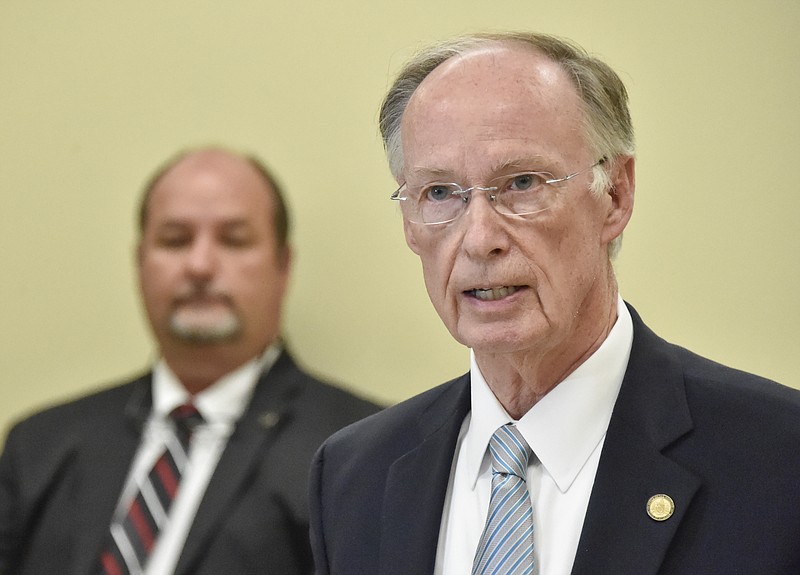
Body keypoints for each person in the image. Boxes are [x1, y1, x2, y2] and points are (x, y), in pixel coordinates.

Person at [309, 32, 800, 575]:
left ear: (615, 194)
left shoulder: (779, 457)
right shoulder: (354, 475)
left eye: (521, 183)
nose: (479, 239)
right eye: (440, 193)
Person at [0, 147, 380, 575]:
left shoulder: (361, 452)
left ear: (283, 266)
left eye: (234, 240)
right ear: (139, 262)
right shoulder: (39, 447)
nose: (200, 265)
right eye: (175, 240)